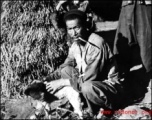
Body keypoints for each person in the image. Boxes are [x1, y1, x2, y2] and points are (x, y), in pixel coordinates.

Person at [44, 9, 124, 118]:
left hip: (109, 90)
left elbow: (90, 77)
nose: (73, 33)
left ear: (85, 26)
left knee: (87, 86)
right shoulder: (76, 45)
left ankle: (103, 110)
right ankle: (86, 103)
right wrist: (46, 80)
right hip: (91, 84)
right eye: (70, 29)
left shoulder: (96, 44)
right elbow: (64, 66)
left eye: (77, 27)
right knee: (66, 70)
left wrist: (62, 82)